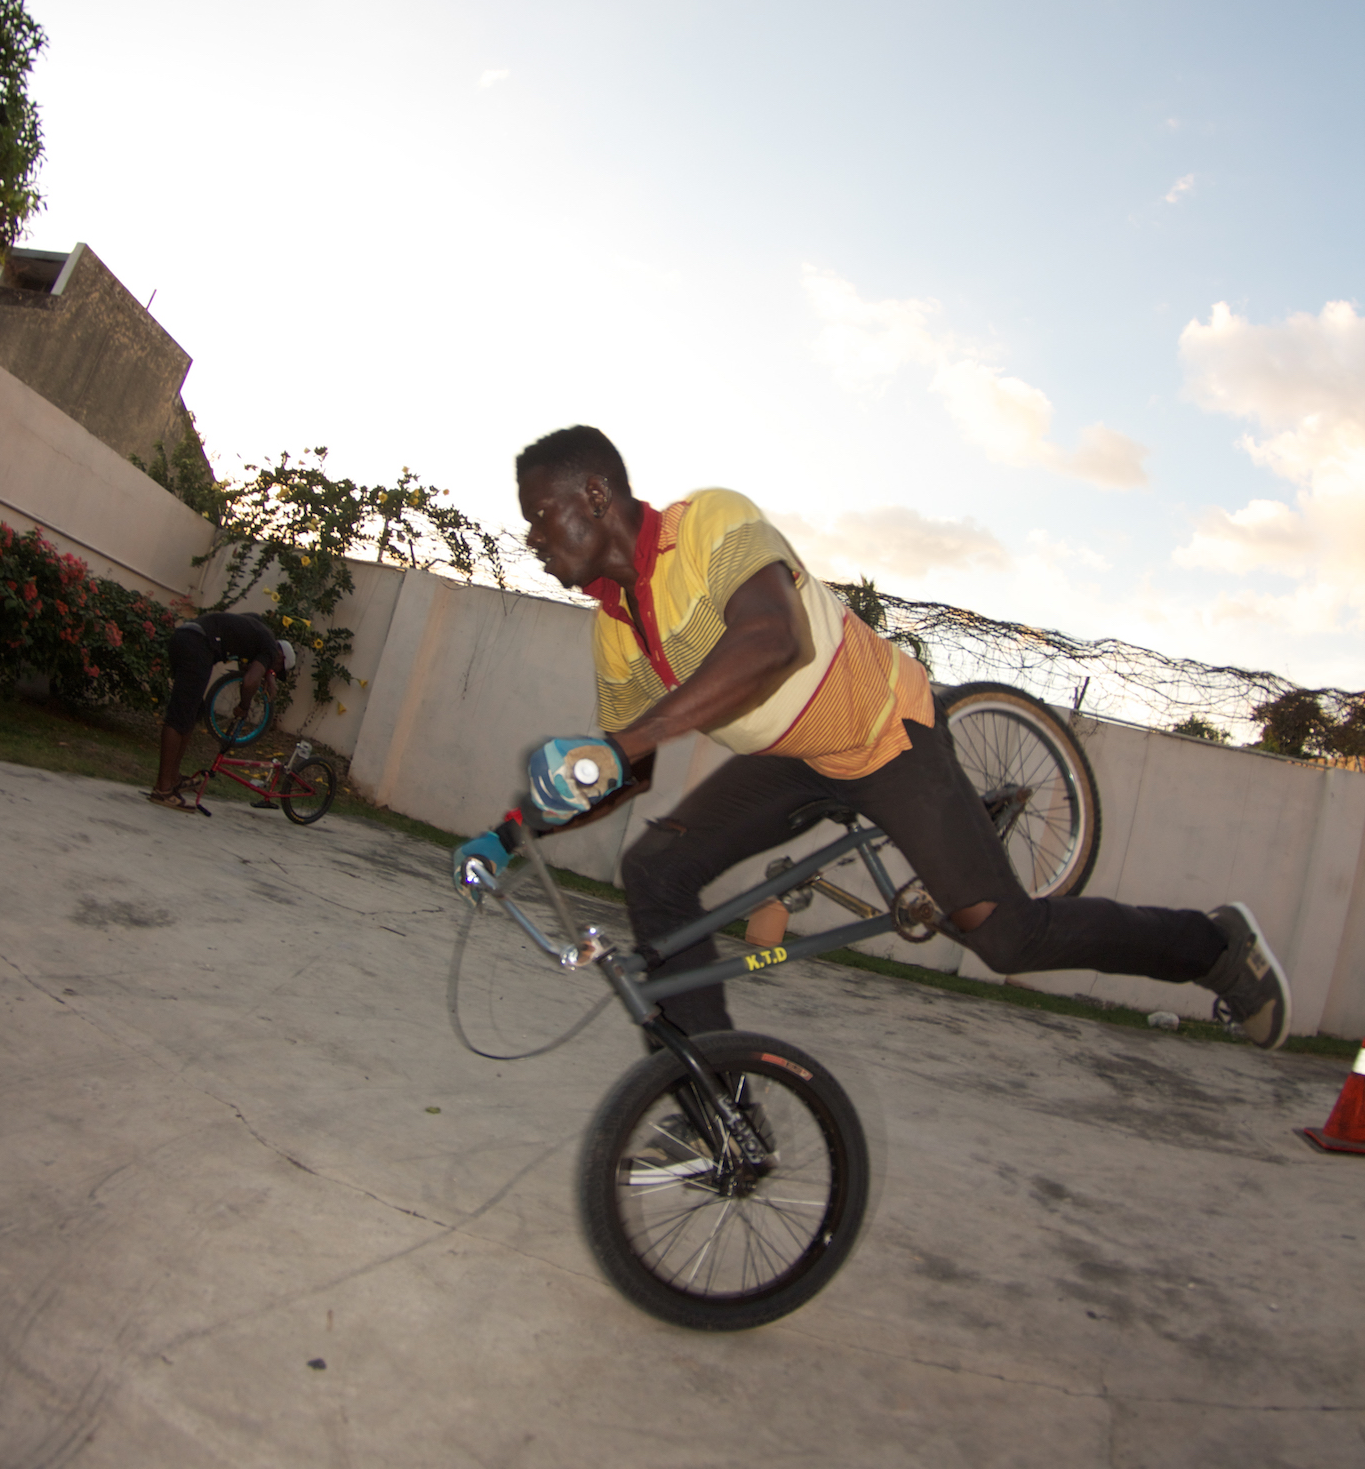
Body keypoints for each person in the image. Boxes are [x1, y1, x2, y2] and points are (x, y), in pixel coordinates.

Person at [452, 425, 1292, 1052]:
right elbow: (618, 771)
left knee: (1006, 939)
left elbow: (772, 640)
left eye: (539, 515)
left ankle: (1214, 949)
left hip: (885, 730)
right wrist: (509, 830)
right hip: (790, 760)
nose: (531, 537)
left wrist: (625, 747)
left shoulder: (709, 522)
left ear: (596, 496)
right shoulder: (616, 626)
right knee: (657, 867)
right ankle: (711, 1099)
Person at [150, 611, 295, 813]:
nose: (273, 673)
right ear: (280, 656)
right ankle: (163, 790)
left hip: (187, 636)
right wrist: (244, 707)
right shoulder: (270, 648)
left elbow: (241, 646)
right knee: (180, 716)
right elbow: (250, 681)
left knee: (192, 712)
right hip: (198, 645)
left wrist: (266, 672)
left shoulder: (259, 629)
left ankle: (173, 778)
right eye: (277, 670)